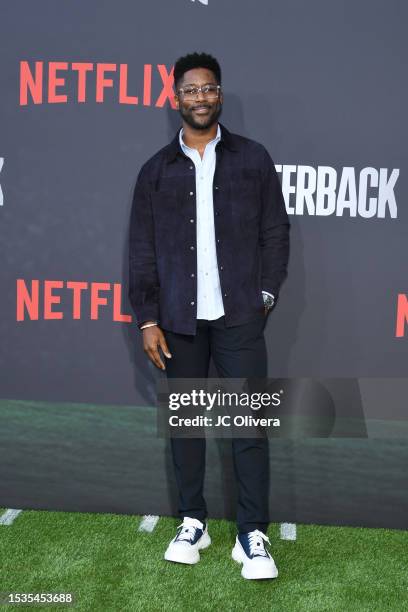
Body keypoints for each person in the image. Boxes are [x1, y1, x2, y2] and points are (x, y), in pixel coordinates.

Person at [128, 51, 290, 580]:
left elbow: (275, 232)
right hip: (178, 320)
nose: (201, 97)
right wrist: (148, 319)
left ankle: (252, 535)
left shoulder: (253, 158)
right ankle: (192, 522)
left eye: (210, 88)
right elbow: (143, 250)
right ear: (176, 98)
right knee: (187, 425)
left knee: (249, 425)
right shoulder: (155, 172)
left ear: (220, 95)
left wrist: (264, 294)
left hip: (241, 315)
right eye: (191, 89)